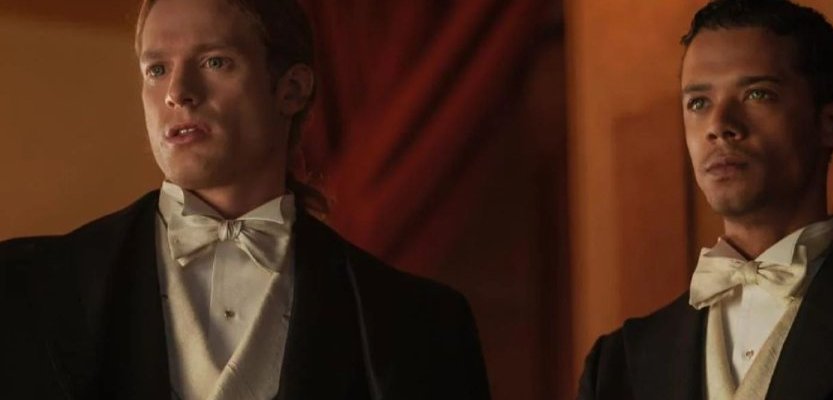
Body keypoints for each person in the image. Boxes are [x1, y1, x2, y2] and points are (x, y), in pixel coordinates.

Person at [0, 0, 490, 398]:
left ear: (292, 90)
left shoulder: (422, 324)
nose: (178, 92)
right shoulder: (22, 289)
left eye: (214, 62)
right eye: (157, 69)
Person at [577, 0, 833, 398]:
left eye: (757, 94)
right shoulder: (618, 365)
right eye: (698, 102)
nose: (719, 126)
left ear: (831, 124)